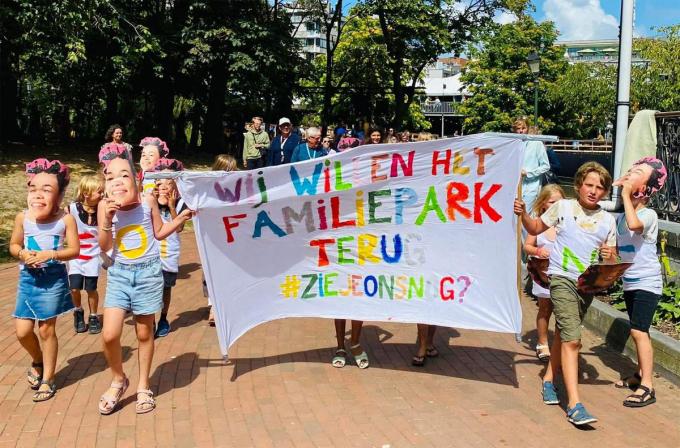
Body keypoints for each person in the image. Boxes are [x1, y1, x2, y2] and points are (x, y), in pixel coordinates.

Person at [514, 161, 616, 426]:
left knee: (563, 333)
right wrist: (523, 214)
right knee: (573, 340)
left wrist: (609, 254)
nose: (594, 191)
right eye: (589, 185)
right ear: (580, 184)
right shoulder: (564, 207)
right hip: (560, 279)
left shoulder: (607, 220)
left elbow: (611, 255)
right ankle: (574, 404)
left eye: (600, 187)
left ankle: (548, 380)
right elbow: (535, 228)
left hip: (587, 285)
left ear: (605, 192)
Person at [97, 143, 193, 415]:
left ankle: (142, 385)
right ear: (105, 184)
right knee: (109, 334)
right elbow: (103, 244)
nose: (117, 181)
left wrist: (182, 216)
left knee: (143, 332)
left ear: (137, 179)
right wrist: (108, 219)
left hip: (149, 274)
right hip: (119, 275)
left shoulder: (148, 201)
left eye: (124, 175)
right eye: (111, 177)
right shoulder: (105, 206)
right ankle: (118, 379)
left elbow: (160, 232)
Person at [9, 159, 79, 402]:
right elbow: (14, 245)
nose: (38, 195)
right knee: (22, 331)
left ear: (59, 196)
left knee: (46, 329)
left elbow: (74, 250)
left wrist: (51, 254)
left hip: (53, 280)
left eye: (47, 190)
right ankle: (37, 359)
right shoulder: (22, 218)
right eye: (33, 189)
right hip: (28, 279)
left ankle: (48, 378)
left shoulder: (65, 219)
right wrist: (22, 254)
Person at [612, 157, 667, 407]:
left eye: (637, 173)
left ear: (646, 189)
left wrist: (624, 193)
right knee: (637, 330)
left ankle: (648, 386)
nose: (630, 175)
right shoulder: (621, 218)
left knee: (638, 331)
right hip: (630, 282)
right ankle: (639, 374)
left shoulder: (649, 215)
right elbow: (617, 246)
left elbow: (636, 225)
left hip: (647, 282)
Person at [523, 184, 565, 362]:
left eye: (560, 202)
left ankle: (561, 346)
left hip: (563, 274)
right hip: (544, 274)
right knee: (545, 308)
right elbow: (527, 246)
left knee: (563, 311)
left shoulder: (567, 222)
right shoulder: (539, 223)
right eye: (552, 202)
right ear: (543, 204)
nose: (557, 205)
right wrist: (538, 252)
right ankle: (542, 342)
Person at [151, 158, 188, 338]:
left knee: (166, 288)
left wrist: (172, 207)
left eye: (168, 182)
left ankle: (163, 319)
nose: (164, 185)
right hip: (150, 255)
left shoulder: (181, 203)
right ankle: (149, 320)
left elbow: (179, 227)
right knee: (150, 288)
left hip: (169, 255)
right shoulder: (150, 202)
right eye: (160, 182)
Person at [68, 174, 105, 334]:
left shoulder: (103, 210)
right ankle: (78, 311)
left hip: (93, 256)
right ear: (86, 193)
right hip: (75, 256)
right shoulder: (71, 209)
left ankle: (94, 315)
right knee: (74, 288)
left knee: (91, 288)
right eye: (99, 192)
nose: (102, 194)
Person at [204, 154, 238, 326]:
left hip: (231, 235)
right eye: (226, 171)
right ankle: (213, 307)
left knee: (228, 270)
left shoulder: (239, 187)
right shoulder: (206, 188)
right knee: (212, 270)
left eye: (232, 171)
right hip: (212, 236)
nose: (229, 175)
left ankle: (224, 305)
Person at [516, 119, 549, 212]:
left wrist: (528, 173)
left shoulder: (536, 143)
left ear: (527, 128)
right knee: (514, 216)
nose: (521, 131)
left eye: (523, 128)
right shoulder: (514, 145)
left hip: (531, 187)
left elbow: (546, 166)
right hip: (515, 187)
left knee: (525, 214)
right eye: (518, 128)